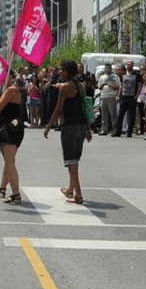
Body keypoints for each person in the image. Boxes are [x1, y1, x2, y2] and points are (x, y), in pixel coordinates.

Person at [46, 59, 92, 203]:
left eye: (62, 70)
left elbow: (58, 109)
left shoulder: (65, 87)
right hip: (81, 125)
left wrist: (48, 127)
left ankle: (78, 195)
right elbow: (85, 106)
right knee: (75, 159)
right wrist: (88, 128)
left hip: (70, 125)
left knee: (71, 161)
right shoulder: (81, 85)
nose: (60, 72)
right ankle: (70, 189)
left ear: (68, 71)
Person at [0, 71, 26, 205]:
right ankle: (2, 187)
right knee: (9, 160)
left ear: (11, 77)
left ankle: (16, 193)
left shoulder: (11, 90)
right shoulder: (11, 89)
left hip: (9, 130)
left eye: (5, 75)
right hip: (14, 128)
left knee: (10, 162)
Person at [114, 61, 141, 138]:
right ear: (126, 65)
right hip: (124, 97)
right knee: (120, 115)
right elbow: (121, 86)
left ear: (133, 65)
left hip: (132, 97)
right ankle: (118, 131)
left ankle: (129, 132)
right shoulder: (123, 75)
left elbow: (139, 85)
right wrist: (118, 95)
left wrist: (137, 95)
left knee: (132, 116)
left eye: (131, 64)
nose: (129, 65)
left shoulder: (137, 75)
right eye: (128, 64)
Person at [97, 64, 120, 136]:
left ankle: (115, 130)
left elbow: (118, 87)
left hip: (111, 96)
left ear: (111, 69)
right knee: (104, 114)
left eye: (109, 68)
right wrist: (102, 85)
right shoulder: (102, 77)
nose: (107, 70)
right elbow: (99, 87)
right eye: (106, 68)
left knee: (113, 114)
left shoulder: (115, 77)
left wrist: (111, 86)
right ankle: (104, 129)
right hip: (103, 96)